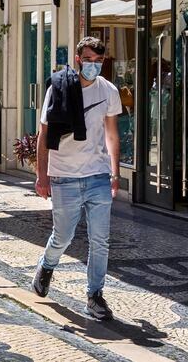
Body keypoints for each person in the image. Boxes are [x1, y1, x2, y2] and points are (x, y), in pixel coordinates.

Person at [33, 37, 121, 321]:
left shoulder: (108, 91)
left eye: (98, 61)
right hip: (64, 176)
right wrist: (41, 176)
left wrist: (115, 172)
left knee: (100, 240)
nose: (93, 66)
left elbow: (111, 134)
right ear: (77, 58)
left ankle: (94, 295)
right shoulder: (58, 88)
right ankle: (46, 266)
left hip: (97, 174)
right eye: (88, 60)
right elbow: (44, 135)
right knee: (63, 236)